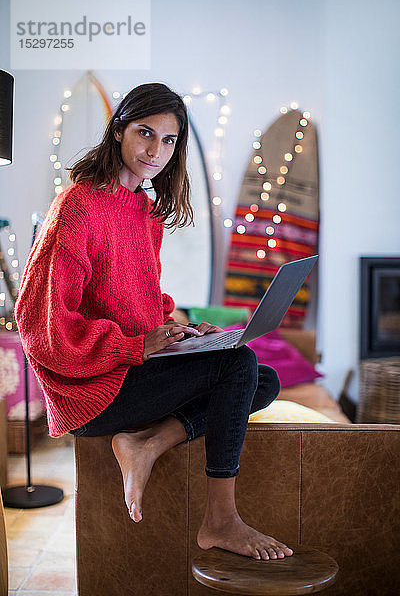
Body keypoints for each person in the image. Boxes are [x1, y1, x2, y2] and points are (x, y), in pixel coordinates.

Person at [14, 82, 293, 562]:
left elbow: (139, 298)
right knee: (240, 366)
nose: (156, 150)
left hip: (130, 370)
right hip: (90, 391)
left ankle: (146, 445)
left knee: (262, 380)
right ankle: (221, 520)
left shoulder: (145, 212)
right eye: (146, 133)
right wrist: (135, 348)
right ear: (119, 129)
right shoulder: (78, 206)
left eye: (169, 140)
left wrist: (179, 331)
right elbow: (42, 327)